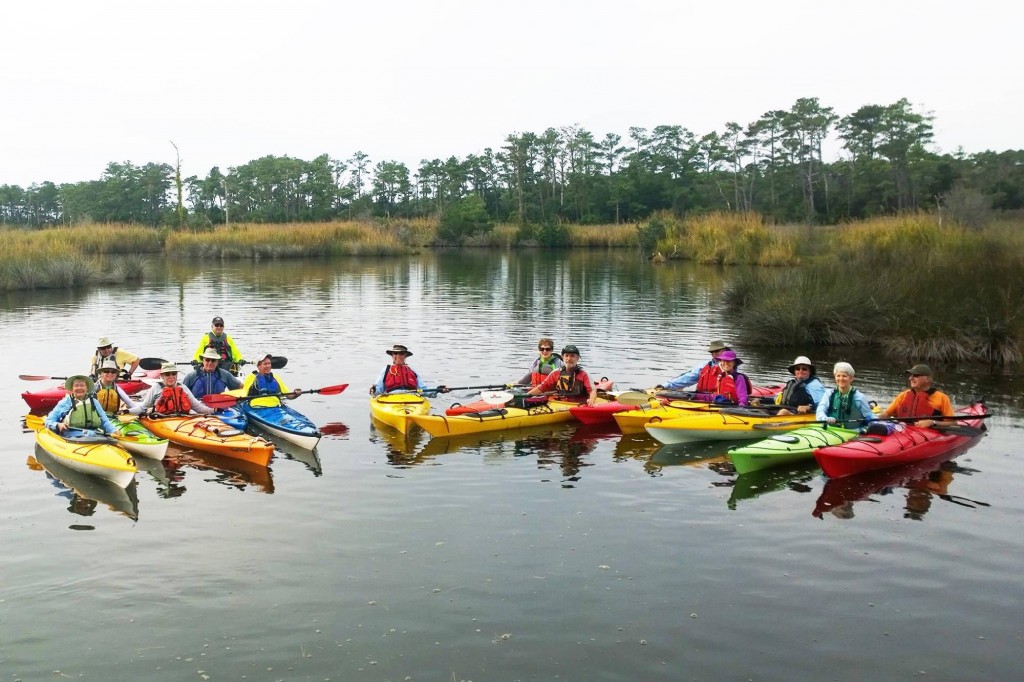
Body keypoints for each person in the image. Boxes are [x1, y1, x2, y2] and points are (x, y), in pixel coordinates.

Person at [879, 364, 955, 428]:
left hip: (928, 435)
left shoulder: (942, 398)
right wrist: (877, 418)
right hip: (902, 433)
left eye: (915, 375)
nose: (910, 378)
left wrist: (933, 422)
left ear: (927, 379)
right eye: (911, 375)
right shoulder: (903, 395)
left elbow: (953, 424)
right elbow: (886, 414)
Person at [44, 375, 118, 435]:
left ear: (86, 388)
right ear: (72, 388)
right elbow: (49, 420)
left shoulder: (94, 402)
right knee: (90, 434)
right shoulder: (65, 402)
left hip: (93, 434)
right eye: (76, 386)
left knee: (92, 434)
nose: (79, 388)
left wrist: (113, 430)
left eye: (82, 385)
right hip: (71, 435)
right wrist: (57, 425)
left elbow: (105, 421)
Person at [526, 344, 598, 407]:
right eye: (566, 356)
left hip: (579, 403)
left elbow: (592, 391)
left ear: (577, 358)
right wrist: (527, 395)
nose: (569, 359)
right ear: (562, 357)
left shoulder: (583, 373)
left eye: (572, 356)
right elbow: (542, 387)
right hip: (560, 402)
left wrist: (591, 400)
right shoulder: (556, 373)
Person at [136, 362, 215, 416]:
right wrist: (127, 411)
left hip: (183, 419)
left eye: (174, 374)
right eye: (167, 374)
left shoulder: (183, 388)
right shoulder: (156, 388)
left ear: (177, 375)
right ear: (162, 376)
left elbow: (198, 407)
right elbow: (143, 407)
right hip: (162, 420)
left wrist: (215, 410)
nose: (171, 376)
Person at [370, 344, 447, 395]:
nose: (398, 356)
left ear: (405, 356)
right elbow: (378, 390)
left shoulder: (412, 371)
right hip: (392, 399)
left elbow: (423, 390)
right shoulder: (386, 370)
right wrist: (374, 390)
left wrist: (438, 390)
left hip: (412, 398)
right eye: (395, 354)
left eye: (401, 353)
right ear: (392, 356)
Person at [658, 339, 730, 394]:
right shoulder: (705, 365)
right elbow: (689, 377)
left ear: (724, 350)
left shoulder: (730, 365)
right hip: (704, 396)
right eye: (712, 352)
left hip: (722, 399)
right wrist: (665, 385)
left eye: (717, 351)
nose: (714, 354)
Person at [816, 362, 876, 427]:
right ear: (835, 377)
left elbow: (869, 416)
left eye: (844, 376)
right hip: (831, 429)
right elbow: (820, 411)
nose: (841, 379)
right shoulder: (829, 394)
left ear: (851, 378)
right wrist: (825, 418)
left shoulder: (859, 398)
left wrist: (869, 420)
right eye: (838, 376)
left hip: (854, 431)